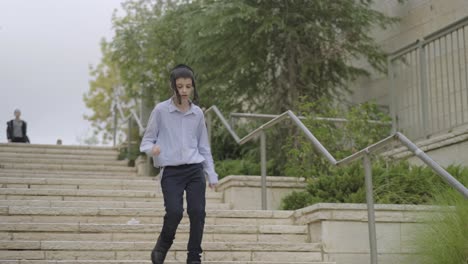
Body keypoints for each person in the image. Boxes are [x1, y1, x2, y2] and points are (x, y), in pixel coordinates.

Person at [140, 64, 218, 264]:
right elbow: (146, 141)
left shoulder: (198, 113)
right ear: (173, 86)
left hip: (194, 170)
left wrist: (211, 174)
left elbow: (204, 146)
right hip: (171, 172)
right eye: (180, 86)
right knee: (175, 212)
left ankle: (194, 258)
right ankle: (162, 246)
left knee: (198, 212)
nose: (184, 91)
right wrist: (153, 149)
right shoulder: (161, 111)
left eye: (188, 86)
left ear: (193, 87)